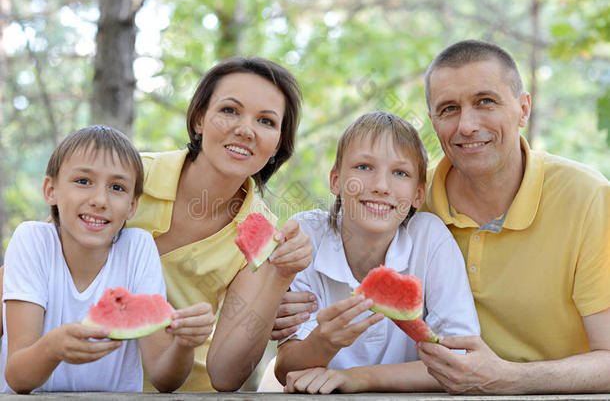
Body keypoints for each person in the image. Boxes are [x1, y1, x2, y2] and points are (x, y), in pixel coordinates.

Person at [415, 39, 610, 394]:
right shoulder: (411, 199)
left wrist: (508, 378)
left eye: (485, 102)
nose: (467, 125)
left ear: (523, 108)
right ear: (433, 121)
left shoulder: (588, 197)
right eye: (449, 109)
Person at [126, 57, 313, 392]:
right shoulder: (131, 175)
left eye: (266, 121)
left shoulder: (263, 233)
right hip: (86, 377)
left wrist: (279, 274)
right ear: (199, 119)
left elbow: (226, 374)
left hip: (186, 391)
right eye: (229, 110)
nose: (245, 129)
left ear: (277, 145)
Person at [274, 111, 480, 394]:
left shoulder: (429, 237)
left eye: (400, 173)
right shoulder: (306, 236)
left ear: (418, 195)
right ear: (335, 180)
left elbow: (460, 360)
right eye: (363, 167)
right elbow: (285, 367)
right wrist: (325, 341)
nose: (381, 186)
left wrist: (359, 378)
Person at [0, 125, 215, 393]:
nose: (100, 200)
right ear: (50, 190)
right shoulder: (32, 241)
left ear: (132, 206)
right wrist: (52, 348)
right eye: (83, 181)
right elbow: (17, 377)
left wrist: (185, 344)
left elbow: (163, 377)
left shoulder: (137, 248)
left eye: (117, 187)